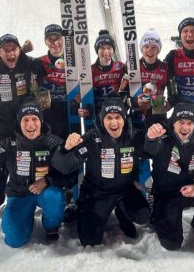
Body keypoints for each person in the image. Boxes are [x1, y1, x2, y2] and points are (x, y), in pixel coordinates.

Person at [0, 101, 76, 247]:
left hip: (46, 191)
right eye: (26, 120)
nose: (30, 125)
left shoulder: (53, 143)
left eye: (34, 119)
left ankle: (51, 227)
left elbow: (70, 172)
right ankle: (17, 215)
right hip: (19, 194)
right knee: (14, 240)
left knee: (54, 197)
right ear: (19, 122)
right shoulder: (8, 145)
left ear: (41, 121)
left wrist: (48, 181)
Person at [53, 98, 150, 247]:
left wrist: (156, 139)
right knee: (89, 240)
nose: (114, 123)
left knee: (143, 215)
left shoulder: (135, 137)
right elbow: (65, 166)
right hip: (97, 192)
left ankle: (122, 214)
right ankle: (84, 211)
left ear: (124, 118)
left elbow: (155, 152)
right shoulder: (91, 138)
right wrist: (65, 149)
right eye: (109, 118)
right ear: (102, 119)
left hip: (126, 190)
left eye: (118, 117)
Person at [145, 102, 194, 250]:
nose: (185, 127)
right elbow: (148, 149)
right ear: (173, 123)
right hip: (165, 195)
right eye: (181, 122)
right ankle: (158, 213)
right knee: (172, 244)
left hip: (188, 191)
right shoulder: (163, 136)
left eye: (189, 123)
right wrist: (150, 137)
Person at [0, 33, 37, 215]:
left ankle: (27, 197)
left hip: (23, 124)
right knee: (1, 162)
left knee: (25, 160)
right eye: (6, 51)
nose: (11, 54)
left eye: (14, 50)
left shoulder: (26, 62)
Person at [121, 29, 170, 129]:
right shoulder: (131, 66)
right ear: (141, 49)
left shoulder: (165, 67)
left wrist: (166, 104)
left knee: (156, 141)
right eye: (146, 46)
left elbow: (173, 95)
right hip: (136, 112)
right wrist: (135, 102)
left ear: (159, 50)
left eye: (154, 47)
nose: (150, 50)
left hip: (157, 112)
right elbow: (121, 93)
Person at [33, 24, 71, 139]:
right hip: (49, 113)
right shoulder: (39, 62)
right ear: (46, 42)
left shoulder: (74, 61)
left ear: (63, 39)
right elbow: (35, 87)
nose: (54, 43)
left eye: (57, 38)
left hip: (70, 111)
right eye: (50, 40)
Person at [78, 30, 126, 120]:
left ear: (113, 49)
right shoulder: (89, 70)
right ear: (97, 50)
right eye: (102, 48)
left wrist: (127, 75)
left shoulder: (120, 66)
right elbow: (80, 94)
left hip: (116, 111)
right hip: (97, 112)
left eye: (109, 48)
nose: (106, 51)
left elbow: (132, 75)